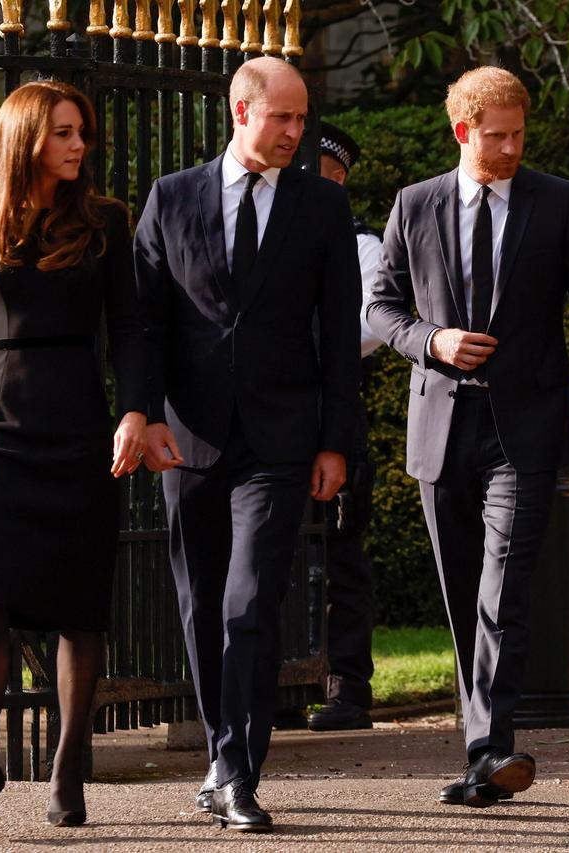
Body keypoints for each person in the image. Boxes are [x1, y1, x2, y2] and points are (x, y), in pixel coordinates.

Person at [367, 66, 569, 809]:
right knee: (463, 597)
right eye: (499, 136)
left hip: (525, 431)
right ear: (464, 132)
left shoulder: (558, 202)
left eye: (521, 133)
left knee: (503, 589)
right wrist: (434, 339)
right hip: (441, 427)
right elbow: (381, 309)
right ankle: (480, 759)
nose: (514, 147)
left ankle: (490, 747)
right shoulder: (414, 204)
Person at [134, 56, 360, 833]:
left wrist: (337, 442)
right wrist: (140, 412)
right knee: (200, 603)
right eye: (283, 119)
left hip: (281, 437)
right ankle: (224, 756)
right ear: (241, 111)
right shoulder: (171, 197)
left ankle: (236, 768)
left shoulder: (322, 210)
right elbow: (144, 322)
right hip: (186, 435)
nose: (298, 133)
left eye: (304, 120)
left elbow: (337, 331)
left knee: (249, 599)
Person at [0, 80, 147, 829]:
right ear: (27, 137)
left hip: (84, 427)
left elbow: (131, 329)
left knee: (81, 607)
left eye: (81, 131)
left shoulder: (107, 222)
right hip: (2, 429)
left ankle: (65, 767)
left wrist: (134, 412)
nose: (78, 144)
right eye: (62, 132)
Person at [306, 121, 384, 732]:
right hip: (276, 405)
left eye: (333, 178)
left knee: (341, 550)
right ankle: (284, 680)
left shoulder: (363, 246)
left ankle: (348, 687)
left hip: (334, 405)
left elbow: (370, 327)